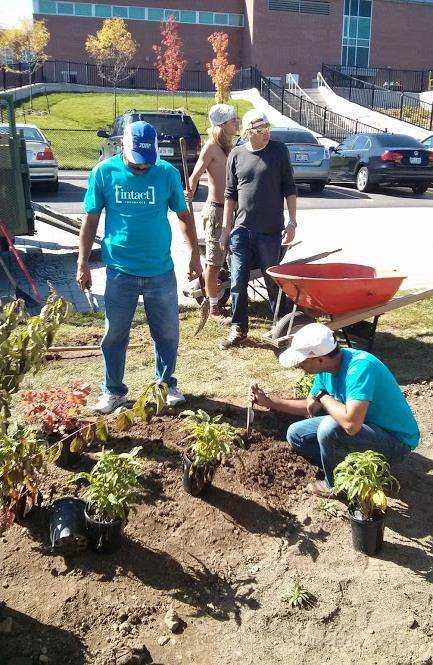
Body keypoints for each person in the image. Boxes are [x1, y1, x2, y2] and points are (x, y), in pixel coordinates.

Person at [77, 120, 202, 414]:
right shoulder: (104, 172)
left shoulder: (167, 173)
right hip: (120, 270)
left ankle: (165, 385)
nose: (142, 166)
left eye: (147, 161)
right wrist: (82, 262)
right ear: (123, 146)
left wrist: (195, 254)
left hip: (160, 270)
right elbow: (90, 220)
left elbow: (184, 216)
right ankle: (113, 391)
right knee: (115, 335)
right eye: (136, 161)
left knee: (167, 333)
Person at [250, 323, 420, 495]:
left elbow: (351, 425)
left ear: (319, 359)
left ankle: (335, 485)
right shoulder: (326, 368)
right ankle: (350, 469)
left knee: (329, 428)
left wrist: (323, 396)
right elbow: (309, 407)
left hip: (395, 441)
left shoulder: (360, 367)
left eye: (302, 361)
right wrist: (269, 402)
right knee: (296, 434)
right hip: (366, 429)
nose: (298, 365)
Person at [219, 109, 298, 350]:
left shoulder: (278, 151)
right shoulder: (236, 154)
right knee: (238, 281)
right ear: (248, 132)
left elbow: (289, 187)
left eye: (267, 128)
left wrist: (292, 221)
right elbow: (230, 194)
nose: (266, 134)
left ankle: (282, 329)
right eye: (261, 130)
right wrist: (226, 229)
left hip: (270, 231)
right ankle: (238, 329)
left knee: (272, 282)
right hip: (241, 231)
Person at [188, 103, 238, 322]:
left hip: (234, 211)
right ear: (222, 125)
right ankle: (214, 307)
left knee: (231, 259)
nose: (236, 124)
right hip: (216, 211)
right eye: (233, 121)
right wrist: (190, 191)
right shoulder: (211, 147)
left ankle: (232, 300)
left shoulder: (232, 147)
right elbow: (195, 175)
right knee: (214, 262)